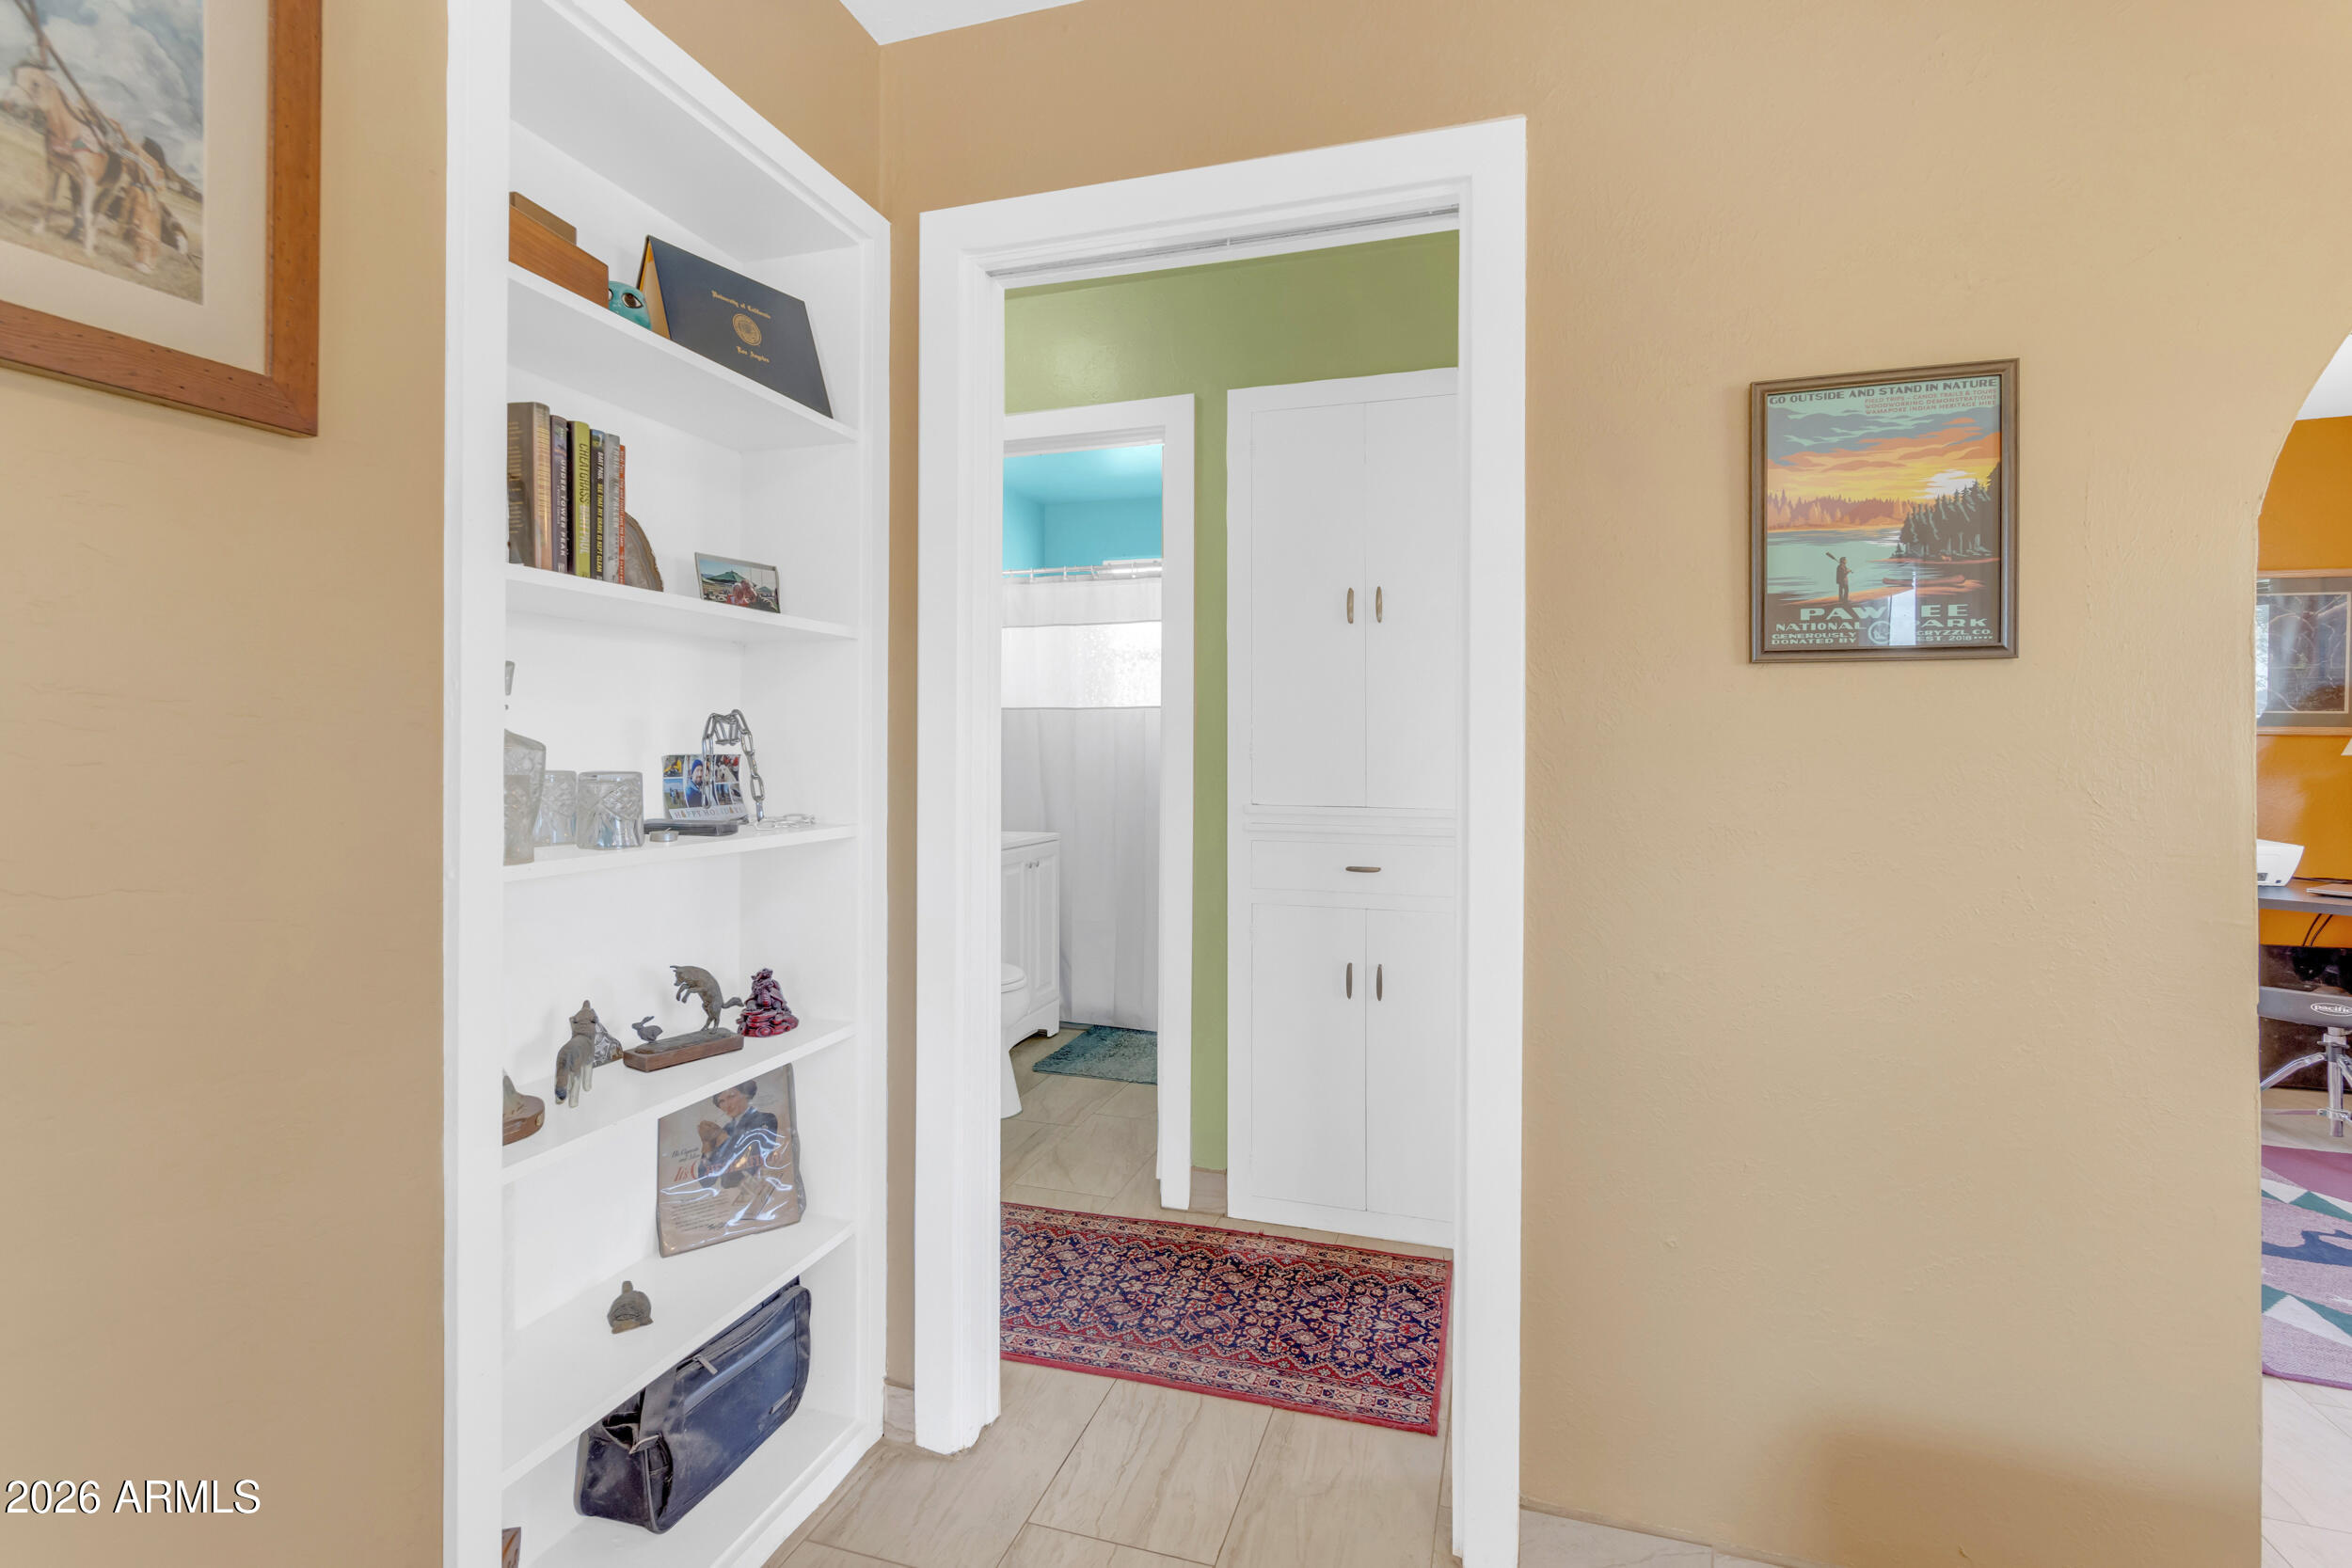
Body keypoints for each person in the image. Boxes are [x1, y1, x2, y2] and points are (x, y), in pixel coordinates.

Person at [696, 1082, 779, 1187]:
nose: (727, 1105)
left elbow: (754, 1165)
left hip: (758, 1189)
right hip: (729, 1199)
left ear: (746, 1094)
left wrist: (724, 1140)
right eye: (721, 1101)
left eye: (731, 1096)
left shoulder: (766, 1119)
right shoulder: (725, 1130)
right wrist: (708, 1145)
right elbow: (706, 1182)